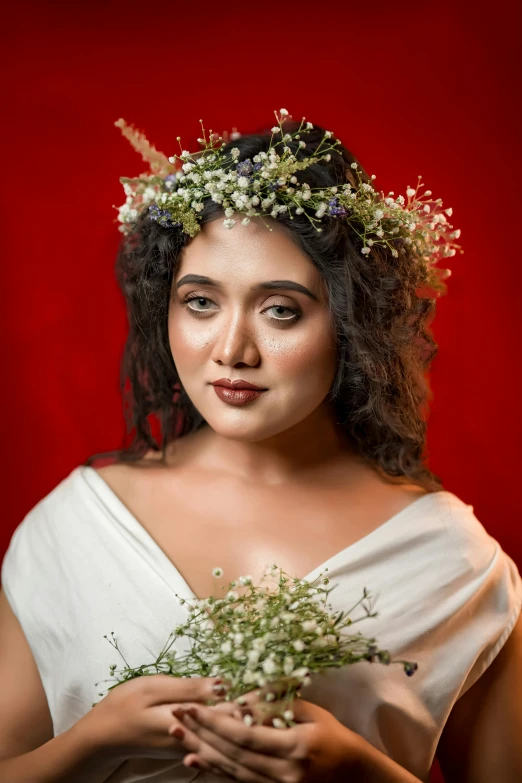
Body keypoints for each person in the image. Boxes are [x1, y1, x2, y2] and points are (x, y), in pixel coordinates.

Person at [0, 110, 520, 783]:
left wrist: (360, 772)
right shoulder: (77, 528)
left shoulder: (453, 562)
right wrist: (96, 738)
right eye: (201, 301)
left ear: (350, 322)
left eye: (281, 309)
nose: (232, 350)